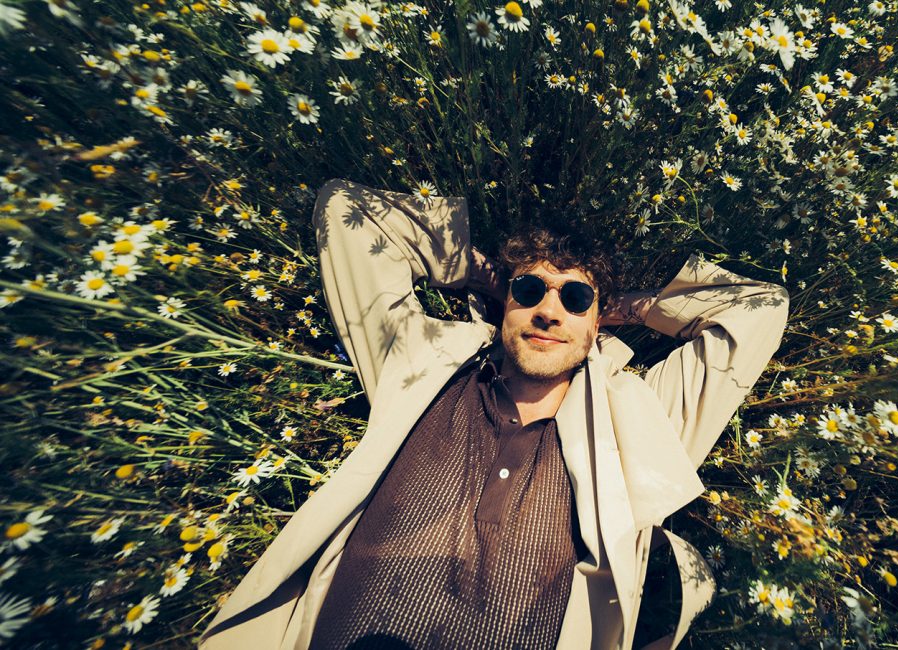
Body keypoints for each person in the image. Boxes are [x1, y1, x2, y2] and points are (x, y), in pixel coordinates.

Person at [200, 179, 789, 649]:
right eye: (529, 292)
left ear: (596, 321)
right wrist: (488, 274)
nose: (549, 311)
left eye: (575, 298)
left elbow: (760, 308)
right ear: (504, 303)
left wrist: (628, 308)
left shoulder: (640, 419)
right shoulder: (421, 365)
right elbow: (346, 210)